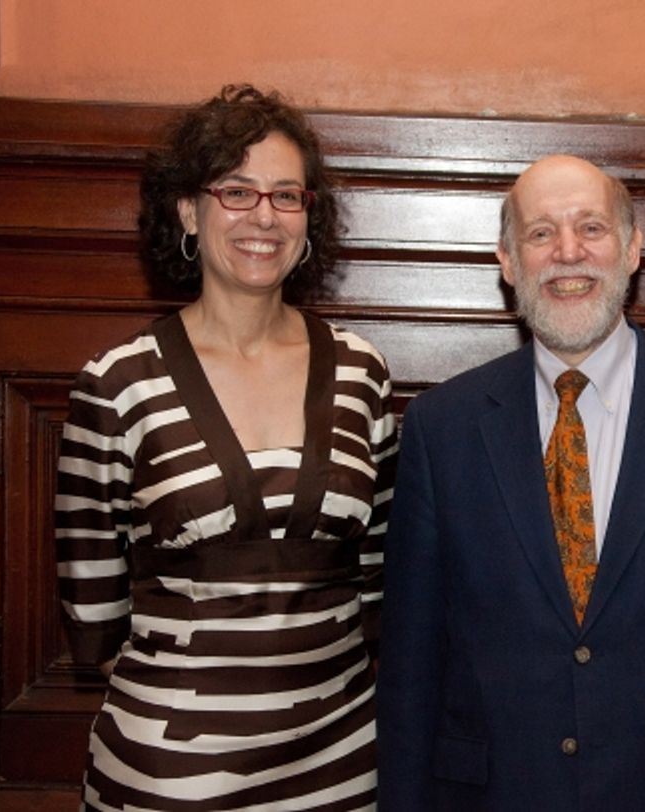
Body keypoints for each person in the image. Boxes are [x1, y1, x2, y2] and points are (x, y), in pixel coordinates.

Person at [376, 154, 645, 811]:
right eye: (541, 233)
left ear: (632, 249)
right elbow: (410, 669)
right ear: (509, 262)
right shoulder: (442, 429)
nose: (567, 253)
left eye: (591, 229)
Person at [54, 85, 397, 811]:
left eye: (286, 195)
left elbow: (375, 581)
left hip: (340, 764)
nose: (263, 216)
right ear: (188, 208)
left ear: (310, 216)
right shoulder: (115, 384)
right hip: (170, 773)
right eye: (236, 191)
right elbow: (94, 608)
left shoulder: (363, 374)